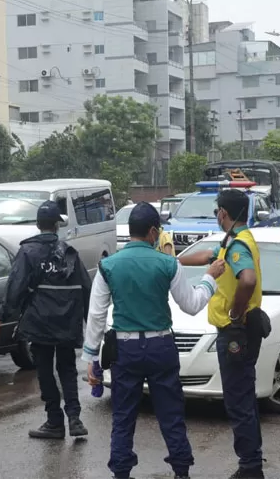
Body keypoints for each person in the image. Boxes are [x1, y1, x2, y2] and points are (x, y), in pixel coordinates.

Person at [83, 202, 225, 479]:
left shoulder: (107, 266)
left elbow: (97, 316)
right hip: (161, 347)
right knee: (171, 414)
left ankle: (121, 472)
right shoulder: (168, 263)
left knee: (123, 416)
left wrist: (90, 358)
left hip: (125, 349)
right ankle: (181, 470)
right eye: (158, 231)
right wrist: (209, 278)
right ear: (151, 232)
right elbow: (192, 305)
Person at [179, 189, 265, 479]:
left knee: (238, 401)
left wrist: (235, 313)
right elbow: (207, 255)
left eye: (217, 211)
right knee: (243, 397)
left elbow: (248, 280)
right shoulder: (235, 241)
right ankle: (251, 462)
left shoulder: (238, 246)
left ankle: (250, 468)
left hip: (235, 332)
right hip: (238, 331)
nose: (216, 215)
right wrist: (173, 260)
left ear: (223, 214)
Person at [0, 200, 92, 440]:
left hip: (40, 322)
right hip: (67, 323)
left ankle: (55, 422)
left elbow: (14, 288)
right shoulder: (69, 252)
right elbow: (86, 289)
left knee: (45, 371)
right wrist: (93, 325)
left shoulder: (28, 252)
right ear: (57, 225)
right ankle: (75, 419)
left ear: (38, 224)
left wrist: (0, 316)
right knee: (67, 369)